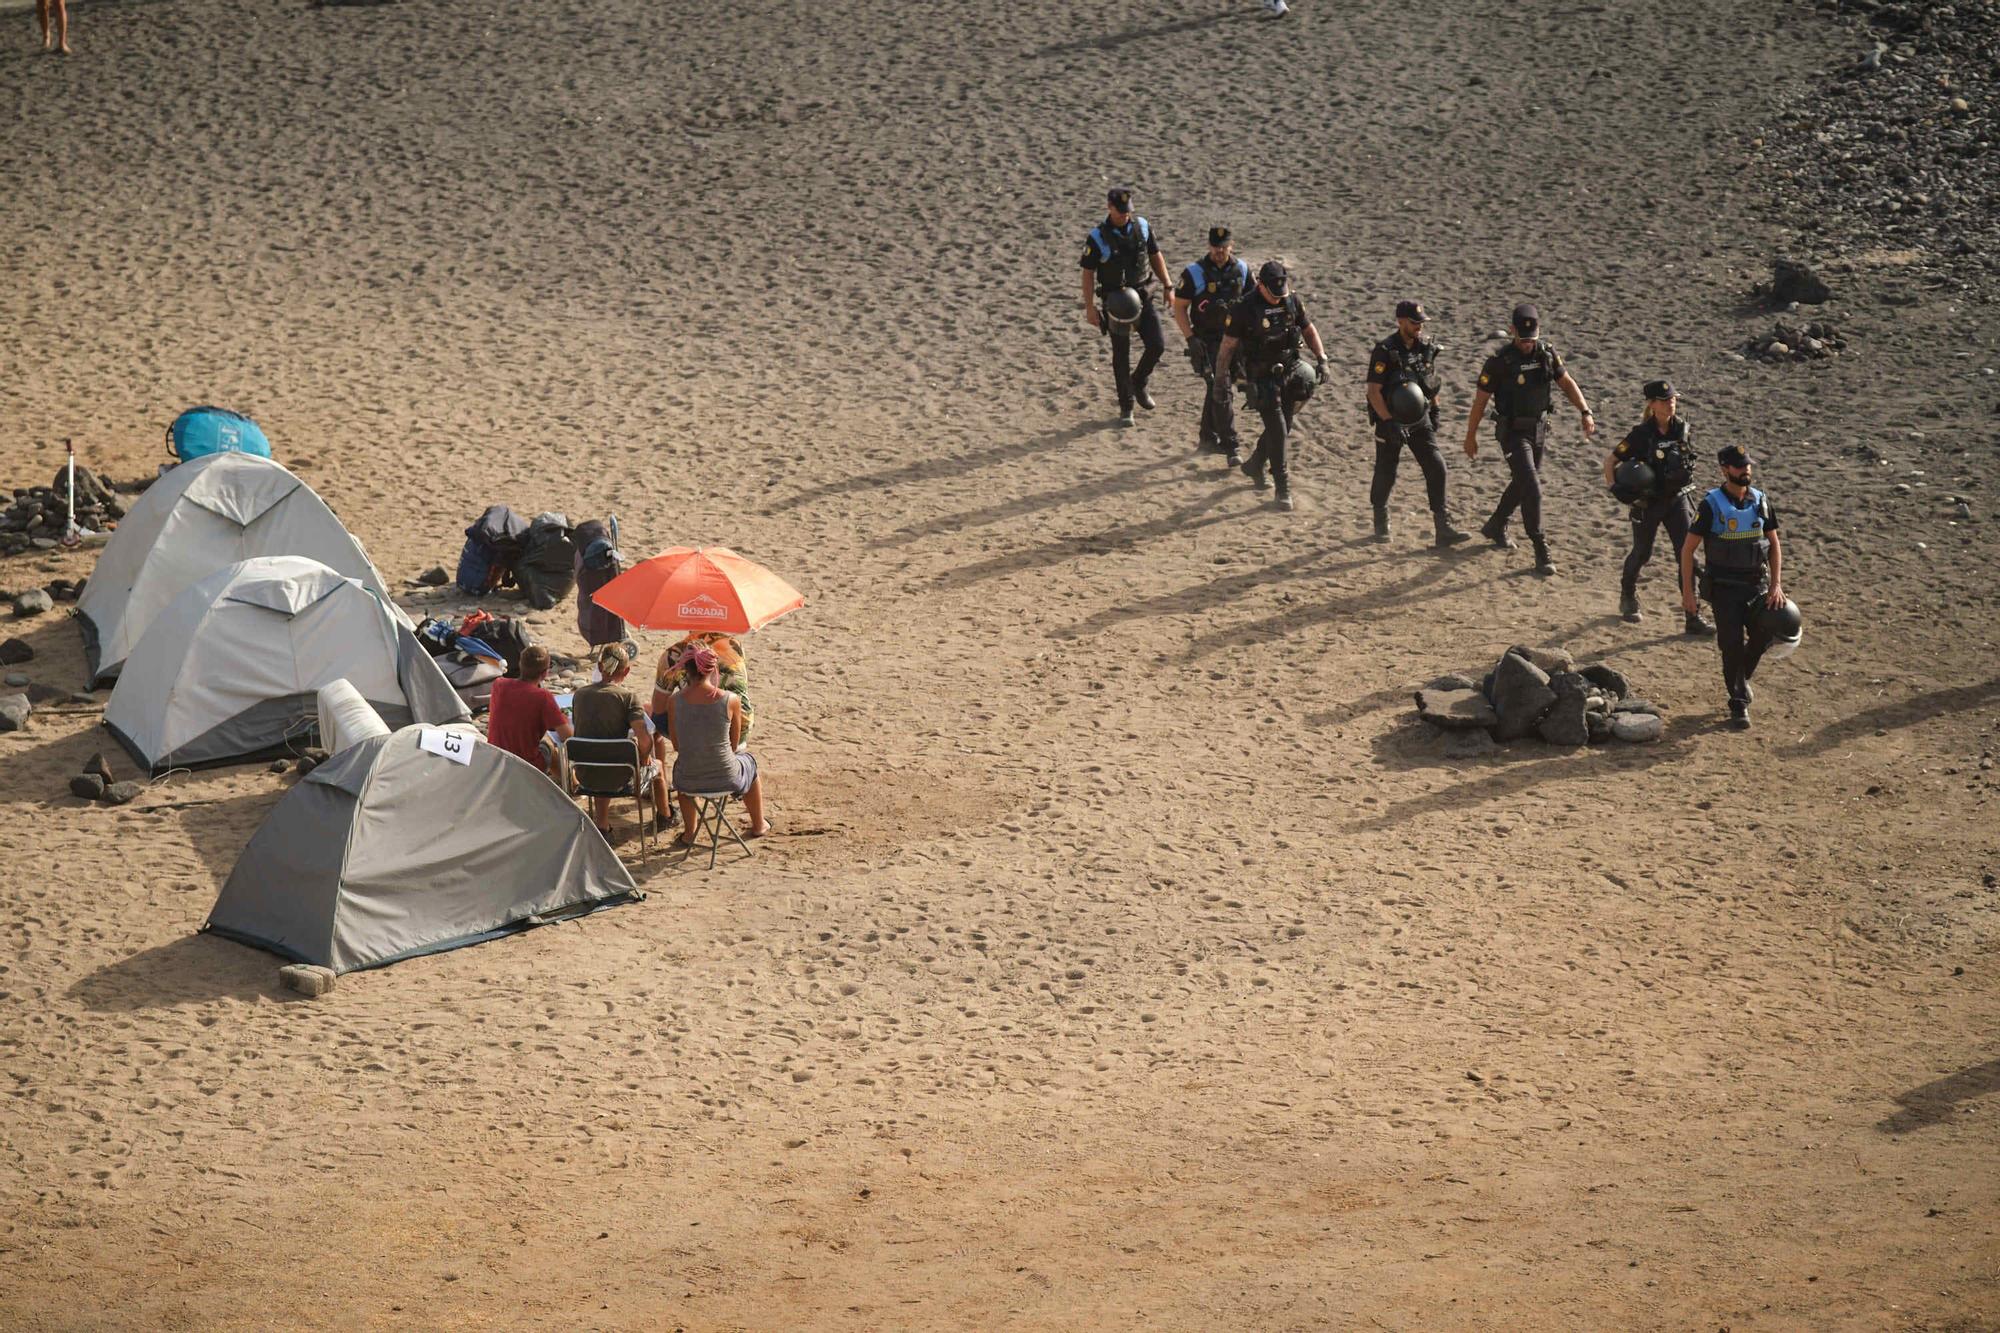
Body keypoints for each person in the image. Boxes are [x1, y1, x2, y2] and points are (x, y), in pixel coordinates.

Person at [1463, 303, 1597, 575]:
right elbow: (1480, 401)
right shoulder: (1500, 362)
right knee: (1532, 486)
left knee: (1523, 481)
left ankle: (1496, 525)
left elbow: (1567, 382)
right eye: (1522, 340)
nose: (1527, 345)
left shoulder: (1547, 354)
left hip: (1538, 430)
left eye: (1531, 340)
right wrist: (1470, 435)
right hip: (1512, 433)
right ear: (1512, 331)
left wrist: (1585, 411)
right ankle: (1540, 547)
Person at [1679, 445, 1785, 730]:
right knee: (1731, 644)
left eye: (1748, 465)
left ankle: (1740, 679)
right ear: (1725, 469)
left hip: (1756, 586)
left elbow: (1774, 545)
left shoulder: (1761, 501)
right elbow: (1688, 550)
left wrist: (1776, 585)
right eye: (1739, 466)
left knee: (1765, 635)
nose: (1745, 470)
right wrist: (1688, 595)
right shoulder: (1711, 505)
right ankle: (1738, 702)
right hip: (1725, 589)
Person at [1213, 260, 1329, 512]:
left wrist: (1322, 358)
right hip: (1259, 376)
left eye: (1281, 294)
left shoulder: (1291, 301)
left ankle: (1255, 464)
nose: (1278, 299)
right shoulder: (1244, 308)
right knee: (1278, 430)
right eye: (1273, 294)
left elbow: (1308, 329)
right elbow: (1227, 347)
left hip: (1289, 371)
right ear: (1261, 285)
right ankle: (1282, 488)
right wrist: (1220, 382)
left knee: (1283, 427)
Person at [1604, 380, 1713, 634]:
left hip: (1676, 501)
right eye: (1664, 400)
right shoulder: (1641, 435)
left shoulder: (1682, 429)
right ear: (1652, 405)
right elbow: (1610, 461)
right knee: (1642, 553)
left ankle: (1692, 615)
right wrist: (1613, 488)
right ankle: (1628, 595)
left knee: (1687, 557)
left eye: (1673, 399)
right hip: (1648, 503)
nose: (1670, 403)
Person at [1364, 300, 1470, 548]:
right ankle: (1380, 519)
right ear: (1400, 321)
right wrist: (1388, 422)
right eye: (1414, 323)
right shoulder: (1385, 351)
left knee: (1437, 467)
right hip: (1391, 420)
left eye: (1421, 323)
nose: (1419, 327)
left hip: (1419, 419)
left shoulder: (1424, 348)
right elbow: (1373, 391)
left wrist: (1436, 408)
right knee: (1386, 472)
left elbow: (1429, 383)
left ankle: (1442, 527)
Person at [1079, 187, 1173, 427]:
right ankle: (1126, 406)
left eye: (1127, 212)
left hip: (1143, 295)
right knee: (1121, 355)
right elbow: (1088, 273)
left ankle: (1139, 381)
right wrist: (1089, 307)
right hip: (1116, 303)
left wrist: (1168, 285)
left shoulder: (1142, 226)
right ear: (1109, 208)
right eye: (1120, 212)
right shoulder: (1097, 237)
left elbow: (1155, 255)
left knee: (1157, 345)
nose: (1125, 216)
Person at [664, 643, 770, 843]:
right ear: (713, 669)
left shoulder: (674, 701)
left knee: (681, 771)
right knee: (750, 762)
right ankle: (759, 824)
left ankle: (690, 833)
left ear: (686, 670)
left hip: (689, 778)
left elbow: (677, 746)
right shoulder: (730, 699)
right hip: (726, 777)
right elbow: (734, 744)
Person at [571, 644, 671, 834]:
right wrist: (644, 757)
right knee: (657, 767)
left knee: (603, 754)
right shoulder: (627, 698)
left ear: (600, 667)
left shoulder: (580, 695)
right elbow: (645, 740)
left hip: (585, 775)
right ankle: (665, 816)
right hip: (620, 777)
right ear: (626, 671)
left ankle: (602, 824)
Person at [1170, 225, 1250, 463]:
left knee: (1216, 388)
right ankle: (1231, 445)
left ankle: (1207, 438)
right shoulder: (1194, 273)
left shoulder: (1242, 270)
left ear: (1231, 246)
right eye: (1215, 247)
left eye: (1224, 248)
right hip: (1209, 340)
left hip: (1236, 339)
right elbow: (1179, 308)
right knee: (1221, 387)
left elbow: (1253, 301)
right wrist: (1191, 338)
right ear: (1208, 246)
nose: (1219, 252)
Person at [485, 644, 572, 774]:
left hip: (496, 757)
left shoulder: (499, 685)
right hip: (525, 764)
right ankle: (573, 786)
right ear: (545, 673)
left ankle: (570, 784)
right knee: (549, 746)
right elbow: (566, 736)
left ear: (521, 664)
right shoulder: (543, 697)